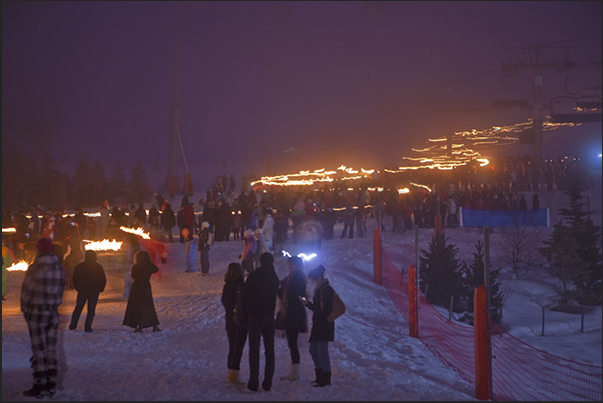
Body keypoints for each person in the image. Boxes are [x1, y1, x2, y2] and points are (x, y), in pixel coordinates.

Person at [20, 237, 66, 398]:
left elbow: (26, 293)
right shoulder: (59, 267)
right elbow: (61, 289)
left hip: (37, 314)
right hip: (53, 313)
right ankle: (51, 384)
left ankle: (39, 386)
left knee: (39, 349)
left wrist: (26, 311)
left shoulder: (35, 268)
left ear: (38, 250)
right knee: (51, 349)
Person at [240, 252, 280, 392]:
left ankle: (253, 382)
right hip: (269, 317)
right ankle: (267, 382)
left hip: (255, 316)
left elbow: (244, 294)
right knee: (270, 351)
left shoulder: (255, 276)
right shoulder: (274, 277)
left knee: (254, 350)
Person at [300, 264, 334, 387]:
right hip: (319, 324)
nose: (313, 282)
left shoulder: (325, 290)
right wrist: (307, 303)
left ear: (318, 278)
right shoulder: (320, 289)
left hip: (323, 324)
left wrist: (319, 315)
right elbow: (318, 308)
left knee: (322, 350)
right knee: (314, 350)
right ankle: (320, 377)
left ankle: (325, 378)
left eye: (314, 279)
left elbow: (325, 310)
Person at [278, 256, 308, 381]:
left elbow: (299, 293)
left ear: (297, 265)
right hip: (288, 313)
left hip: (294, 314)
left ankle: (295, 373)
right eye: (288, 264)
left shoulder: (299, 276)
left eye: (291, 264)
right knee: (291, 343)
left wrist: (286, 287)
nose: (289, 266)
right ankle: (294, 372)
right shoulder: (289, 277)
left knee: (293, 343)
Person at [221, 262, 248, 387]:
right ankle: (233, 377)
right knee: (238, 349)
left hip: (230, 320)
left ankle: (230, 374)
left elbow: (224, 301)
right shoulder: (242, 286)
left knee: (232, 347)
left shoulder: (227, 286)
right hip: (241, 321)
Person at [122, 250, 161, 333]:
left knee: (138, 306)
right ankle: (154, 325)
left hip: (137, 286)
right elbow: (155, 269)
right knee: (148, 305)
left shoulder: (136, 267)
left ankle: (140, 326)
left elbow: (133, 276)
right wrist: (149, 263)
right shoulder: (149, 266)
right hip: (146, 286)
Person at [69, 250, 107, 333]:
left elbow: (75, 278)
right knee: (91, 309)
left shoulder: (80, 266)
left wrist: (77, 287)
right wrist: (100, 288)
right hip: (94, 290)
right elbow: (102, 279)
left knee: (78, 308)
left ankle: (73, 325)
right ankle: (88, 327)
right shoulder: (98, 267)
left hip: (82, 290)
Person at [2, 235, 15, 300]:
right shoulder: (7, 249)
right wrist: (8, 264)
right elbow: (12, 258)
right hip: (3, 267)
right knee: (3, 281)